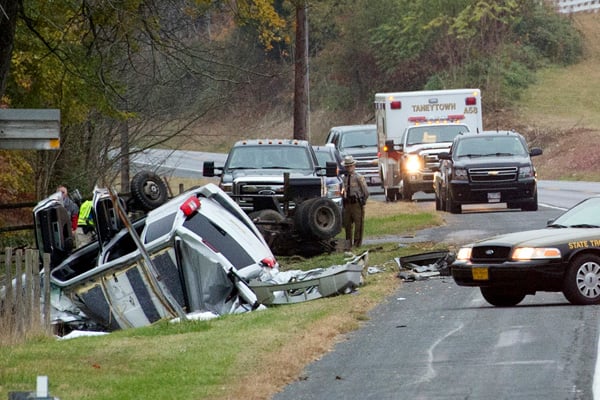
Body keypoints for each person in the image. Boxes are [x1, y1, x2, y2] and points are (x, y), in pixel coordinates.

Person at [341, 155, 369, 250]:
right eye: (347, 166)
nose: (348, 168)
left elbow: (365, 191)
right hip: (347, 203)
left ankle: (357, 244)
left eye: (350, 166)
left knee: (358, 224)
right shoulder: (344, 178)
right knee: (347, 224)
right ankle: (348, 243)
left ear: (354, 166)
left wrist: (363, 201)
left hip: (356, 203)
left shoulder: (358, 177)